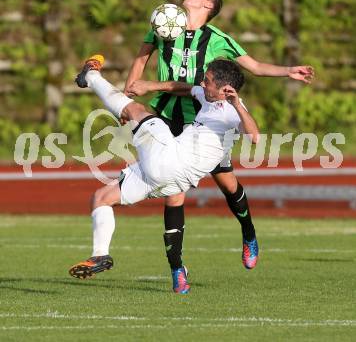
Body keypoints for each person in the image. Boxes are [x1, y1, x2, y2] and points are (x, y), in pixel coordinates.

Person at [124, 0, 314, 283]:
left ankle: (249, 233)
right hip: (164, 114)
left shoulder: (216, 38)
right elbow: (141, 57)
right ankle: (177, 269)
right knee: (174, 193)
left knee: (227, 183)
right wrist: (129, 93)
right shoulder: (164, 20)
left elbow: (255, 66)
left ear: (208, 5)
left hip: (203, 121)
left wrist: (288, 70)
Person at [69, 55, 260, 294]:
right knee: (101, 198)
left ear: (225, 90)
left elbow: (254, 136)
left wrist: (237, 104)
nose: (202, 83)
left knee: (134, 109)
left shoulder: (232, 111)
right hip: (170, 179)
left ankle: (91, 76)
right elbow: (185, 89)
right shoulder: (207, 95)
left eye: (207, 80)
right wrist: (151, 85)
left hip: (169, 159)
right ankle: (99, 256)